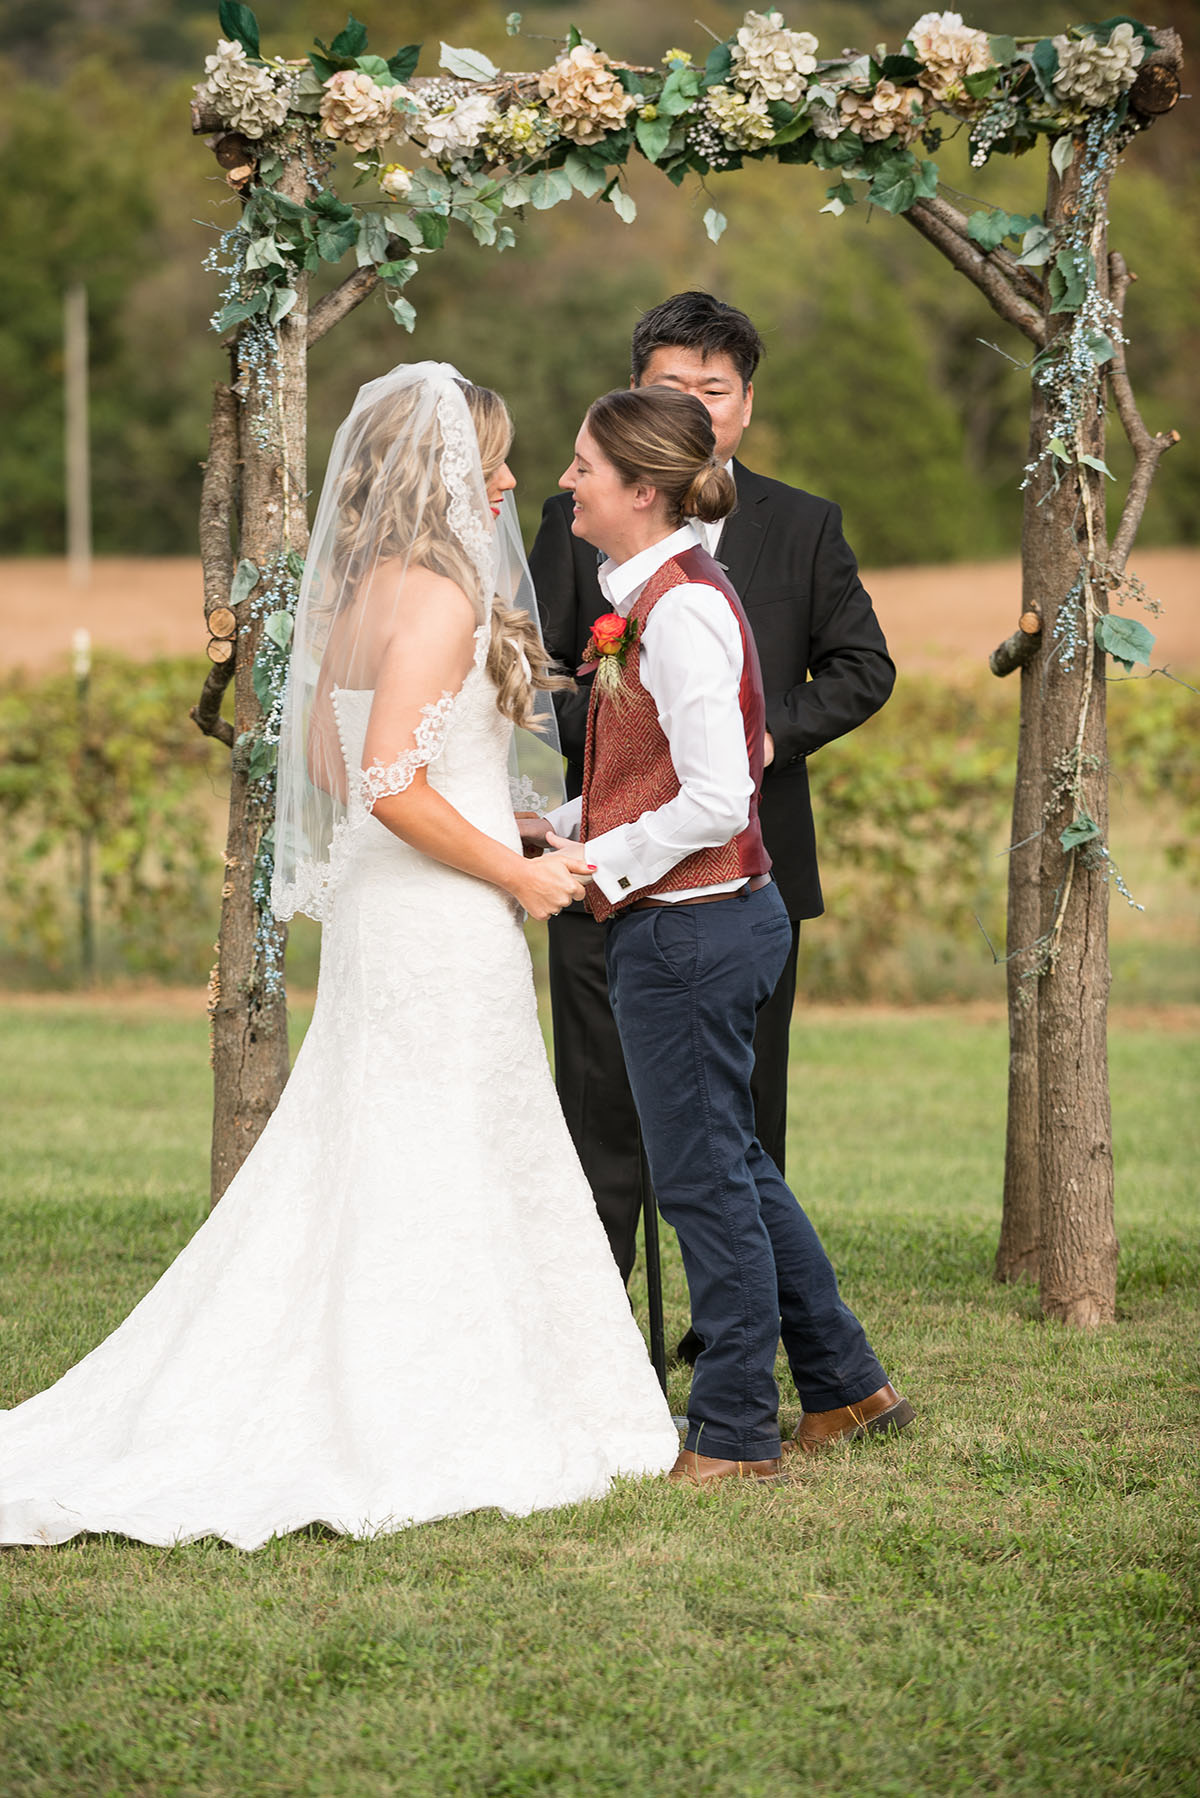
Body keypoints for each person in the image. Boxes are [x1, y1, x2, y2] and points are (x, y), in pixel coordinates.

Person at [0, 364, 679, 1550]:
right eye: (495, 459)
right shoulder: (443, 601)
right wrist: (512, 868)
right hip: (437, 911)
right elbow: (385, 782)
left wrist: (496, 814)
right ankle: (428, 1402)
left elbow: (332, 762)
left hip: (401, 899)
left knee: (392, 1125)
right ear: (448, 477)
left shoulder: (364, 591)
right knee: (446, 1127)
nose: (515, 477)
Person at [519, 385, 912, 1483]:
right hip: (701, 919)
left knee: (702, 1187)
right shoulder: (649, 591)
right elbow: (653, 774)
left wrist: (593, 861)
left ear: (641, 491)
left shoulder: (682, 609)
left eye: (585, 468)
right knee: (733, 1163)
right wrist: (549, 824)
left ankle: (735, 1433)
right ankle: (845, 1383)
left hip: (691, 931)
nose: (568, 482)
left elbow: (717, 795)